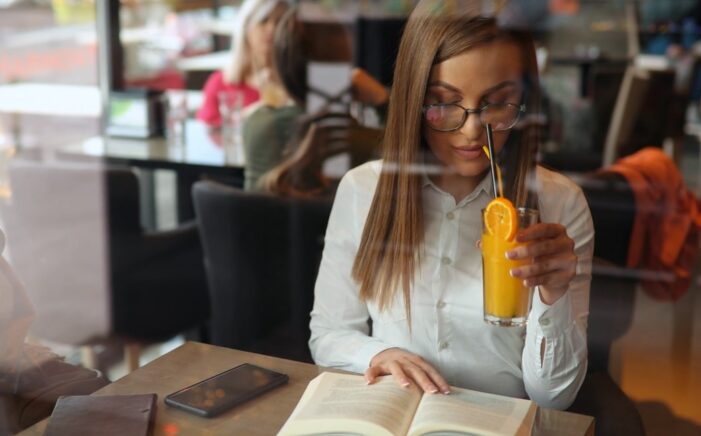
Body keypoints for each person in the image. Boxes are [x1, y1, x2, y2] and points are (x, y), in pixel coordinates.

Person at [309, 0, 594, 411]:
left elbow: (553, 397)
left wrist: (554, 295)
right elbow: (330, 333)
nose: (474, 130)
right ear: (414, 101)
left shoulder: (558, 204)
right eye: (443, 103)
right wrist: (375, 355)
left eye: (496, 103)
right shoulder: (363, 190)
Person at [243, 8, 388, 192]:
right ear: (344, 63)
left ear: (279, 65)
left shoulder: (257, 125)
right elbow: (411, 147)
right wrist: (382, 100)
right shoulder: (361, 141)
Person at [196, 0, 291, 127]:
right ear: (246, 28)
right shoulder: (220, 83)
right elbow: (208, 134)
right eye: (264, 20)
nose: (272, 29)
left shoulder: (297, 82)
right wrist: (255, 112)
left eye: (280, 22)